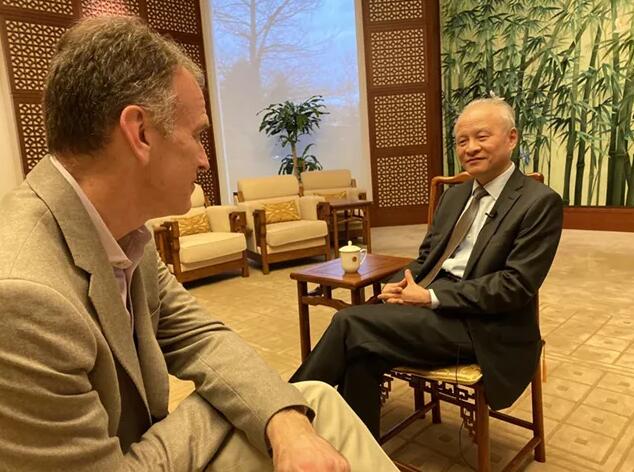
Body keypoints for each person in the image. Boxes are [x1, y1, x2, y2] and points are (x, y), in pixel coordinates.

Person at [0, 16, 399, 472]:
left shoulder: (125, 231)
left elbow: (198, 335)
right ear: (140, 133)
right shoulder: (24, 298)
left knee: (314, 402)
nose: (206, 159)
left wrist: (282, 420)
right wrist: (223, 408)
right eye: (198, 135)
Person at [291, 97, 564, 438]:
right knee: (362, 351)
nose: (470, 148)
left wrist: (431, 297)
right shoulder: (455, 196)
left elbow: (515, 286)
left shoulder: (539, 202)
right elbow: (425, 258)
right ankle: (360, 453)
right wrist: (399, 283)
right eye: (462, 141)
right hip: (433, 308)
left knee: (348, 322)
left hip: (485, 326)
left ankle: (285, 417)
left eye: (482, 137)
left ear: (511, 138)